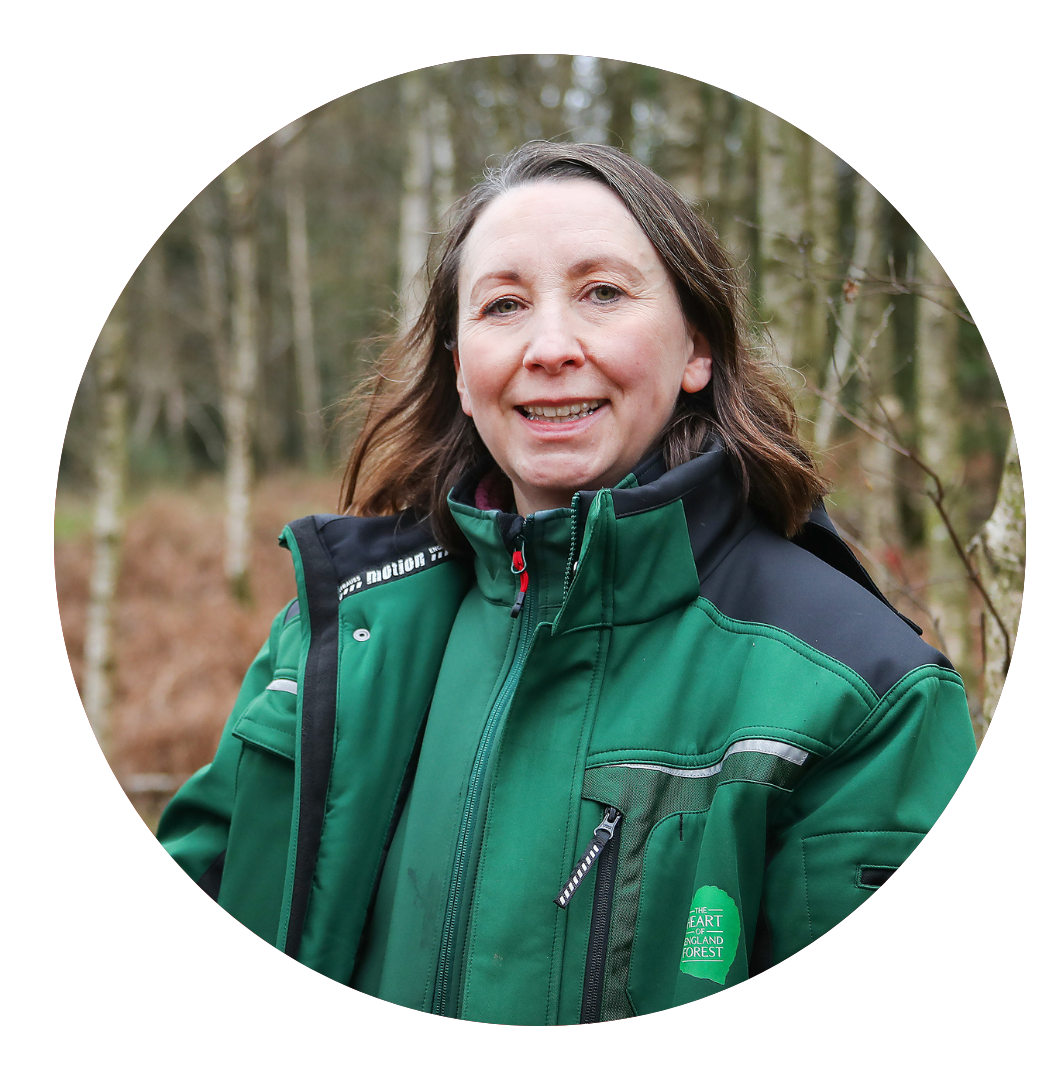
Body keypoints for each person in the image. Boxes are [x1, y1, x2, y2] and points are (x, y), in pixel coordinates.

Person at [158, 141, 976, 1024]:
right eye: (504, 305)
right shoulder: (339, 635)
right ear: (461, 369)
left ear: (696, 347)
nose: (550, 347)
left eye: (603, 293)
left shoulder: (863, 695)